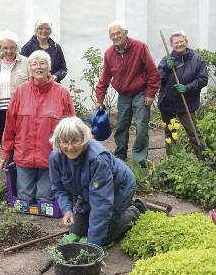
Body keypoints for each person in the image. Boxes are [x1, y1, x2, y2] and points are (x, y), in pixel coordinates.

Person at [49, 116, 147, 247]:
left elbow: (101, 204)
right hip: (88, 189)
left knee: (104, 236)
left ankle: (136, 210)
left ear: (83, 140)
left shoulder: (97, 160)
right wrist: (67, 209)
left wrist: (92, 245)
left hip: (119, 186)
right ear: (58, 141)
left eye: (75, 141)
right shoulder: (56, 157)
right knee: (76, 232)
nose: (70, 147)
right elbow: (58, 187)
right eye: (65, 142)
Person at [0, 50, 75, 203]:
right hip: (24, 156)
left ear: (49, 68)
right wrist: (6, 152)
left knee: (44, 199)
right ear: (29, 68)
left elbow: (71, 128)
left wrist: (70, 154)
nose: (38, 67)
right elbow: (10, 127)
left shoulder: (62, 93)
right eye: (34, 64)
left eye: (42, 63)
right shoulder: (20, 92)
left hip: (50, 158)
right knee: (24, 199)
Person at [95, 20, 160, 165]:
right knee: (121, 126)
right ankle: (120, 157)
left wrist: (150, 93)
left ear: (126, 33)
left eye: (118, 33)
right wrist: (100, 100)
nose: (115, 36)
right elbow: (104, 78)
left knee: (141, 126)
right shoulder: (109, 54)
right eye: (112, 34)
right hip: (123, 94)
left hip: (141, 92)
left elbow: (153, 72)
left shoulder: (140, 47)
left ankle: (140, 160)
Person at [157, 31, 208, 160]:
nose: (179, 44)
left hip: (187, 103)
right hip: (167, 102)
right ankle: (172, 161)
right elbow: (158, 79)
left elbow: (203, 79)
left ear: (186, 42)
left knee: (193, 133)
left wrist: (187, 87)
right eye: (176, 42)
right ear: (171, 45)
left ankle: (205, 162)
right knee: (170, 133)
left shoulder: (197, 60)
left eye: (181, 41)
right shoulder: (166, 60)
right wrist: (167, 68)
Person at [0, 30, 29, 143]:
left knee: (21, 142)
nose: (9, 51)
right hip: (1, 111)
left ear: (16, 47)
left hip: (21, 111)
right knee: (5, 143)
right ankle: (8, 162)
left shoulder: (26, 62)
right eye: (5, 48)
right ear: (0, 48)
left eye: (12, 47)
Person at [21, 18, 67, 82]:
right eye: (41, 28)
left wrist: (56, 76)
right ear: (36, 30)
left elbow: (63, 69)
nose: (44, 31)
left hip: (53, 86)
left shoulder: (56, 47)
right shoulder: (27, 47)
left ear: (50, 31)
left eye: (47, 29)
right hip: (34, 87)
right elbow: (22, 69)